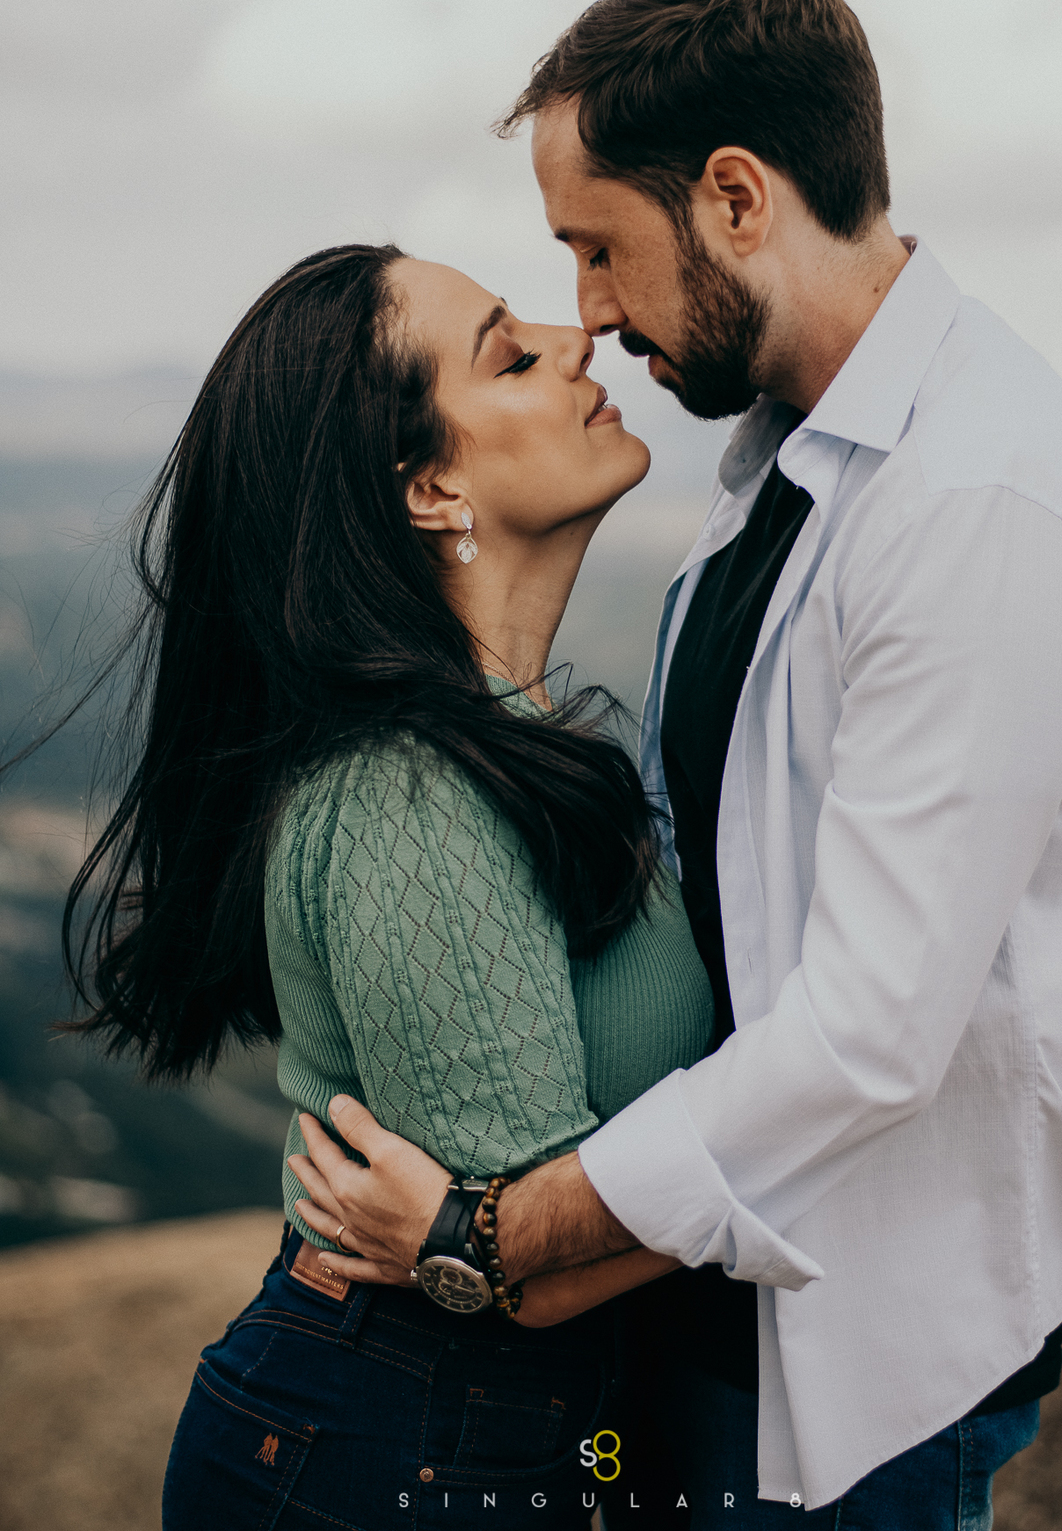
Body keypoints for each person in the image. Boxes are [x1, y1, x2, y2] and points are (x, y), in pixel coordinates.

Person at [292, 0, 1062, 1528]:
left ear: (739, 197)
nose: (593, 313)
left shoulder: (973, 501)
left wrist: (498, 1239)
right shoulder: (786, 447)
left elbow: (868, 1030)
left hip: (868, 1344)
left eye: (601, 250)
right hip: (726, 1305)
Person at [30, 243, 721, 1527]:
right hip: (393, 1440)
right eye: (510, 354)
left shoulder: (510, 744)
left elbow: (508, 1235)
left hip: (483, 1428)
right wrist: (816, 1159)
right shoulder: (407, 793)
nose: (577, 338)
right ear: (430, 486)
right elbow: (529, 1251)